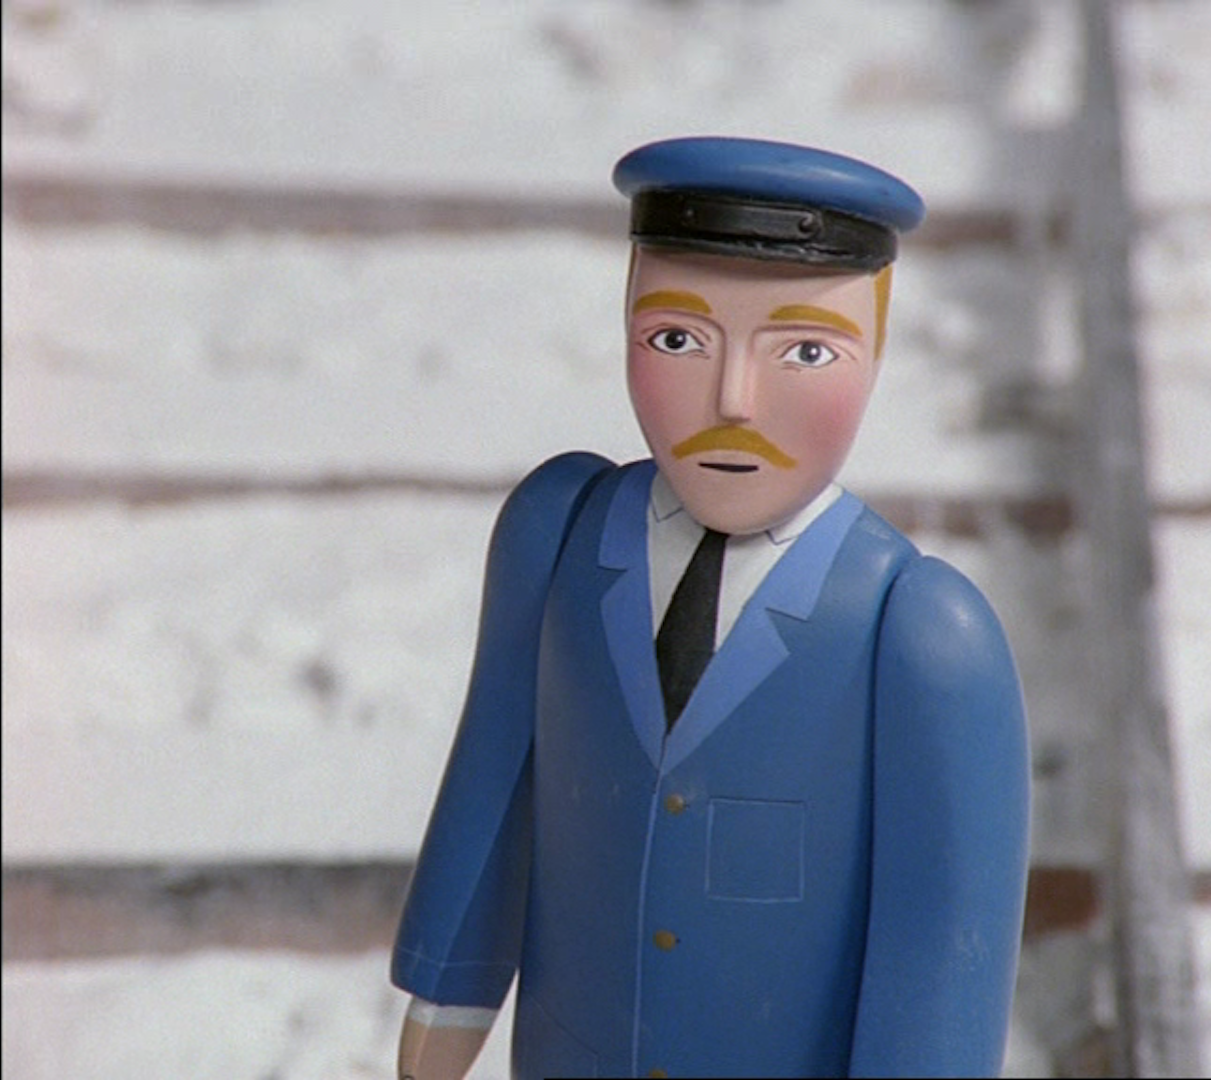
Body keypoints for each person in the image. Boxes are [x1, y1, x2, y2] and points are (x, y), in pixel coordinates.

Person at [390, 136, 1030, 1079]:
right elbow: (494, 781)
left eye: (805, 351)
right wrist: (448, 993)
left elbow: (942, 939)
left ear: (877, 357)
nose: (734, 401)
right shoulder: (558, 536)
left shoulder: (920, 633)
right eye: (677, 339)